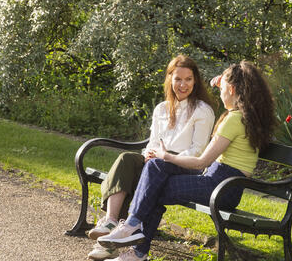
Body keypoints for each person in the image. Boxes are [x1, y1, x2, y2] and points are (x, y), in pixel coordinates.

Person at [98, 60, 276, 261]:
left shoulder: (233, 120)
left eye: (223, 88)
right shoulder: (245, 116)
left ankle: (134, 237)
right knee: (155, 176)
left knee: (156, 179)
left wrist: (166, 156)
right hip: (225, 184)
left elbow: (201, 162)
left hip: (221, 185)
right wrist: (220, 81)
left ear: (233, 89)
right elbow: (225, 86)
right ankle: (134, 236)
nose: (219, 91)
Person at [86, 54, 214, 261]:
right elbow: (152, 143)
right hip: (157, 162)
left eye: (188, 79)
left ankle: (115, 241)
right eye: (178, 79)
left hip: (185, 165)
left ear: (195, 81)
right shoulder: (161, 109)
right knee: (127, 159)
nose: (183, 84)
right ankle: (111, 222)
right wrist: (148, 155)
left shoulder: (202, 110)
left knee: (151, 171)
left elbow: (197, 151)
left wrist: (166, 158)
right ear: (170, 80)